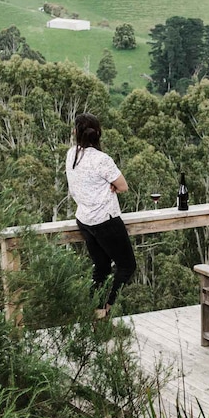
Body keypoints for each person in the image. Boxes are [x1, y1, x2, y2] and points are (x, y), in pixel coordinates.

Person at [65, 112, 136, 320]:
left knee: (102, 268)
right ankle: (106, 308)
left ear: (76, 133)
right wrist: (111, 186)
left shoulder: (72, 154)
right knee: (126, 266)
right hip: (105, 219)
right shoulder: (101, 160)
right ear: (98, 134)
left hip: (84, 219)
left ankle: (95, 315)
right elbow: (123, 186)